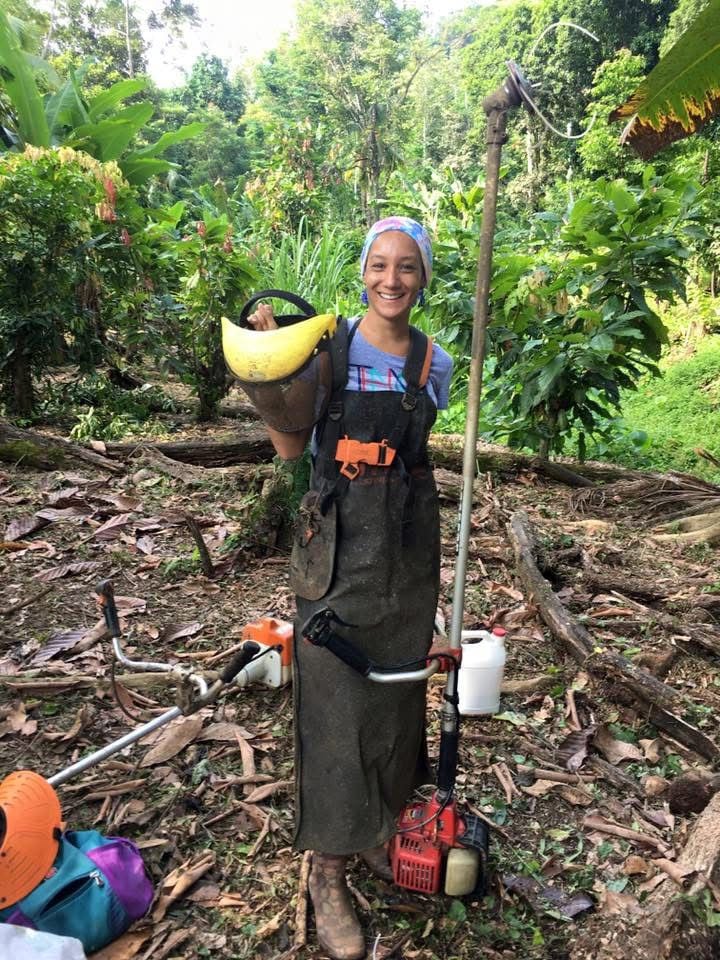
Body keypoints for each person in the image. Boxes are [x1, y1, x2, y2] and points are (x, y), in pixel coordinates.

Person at [247, 217, 453, 960]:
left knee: (395, 698)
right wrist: (271, 378)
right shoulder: (325, 354)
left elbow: (422, 456)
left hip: (404, 553)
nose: (391, 280)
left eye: (406, 267)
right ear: (362, 270)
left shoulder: (437, 362)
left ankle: (372, 830)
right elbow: (289, 448)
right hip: (333, 551)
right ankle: (326, 874)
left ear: (423, 276)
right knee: (335, 708)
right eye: (379, 264)